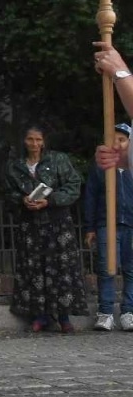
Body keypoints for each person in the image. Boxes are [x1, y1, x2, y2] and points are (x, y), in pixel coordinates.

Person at [5, 125, 86, 333]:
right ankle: (40, 315)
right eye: (30, 139)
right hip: (30, 225)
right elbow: (8, 192)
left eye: (38, 140)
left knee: (61, 268)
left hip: (57, 223)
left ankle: (64, 316)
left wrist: (50, 201)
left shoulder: (58, 160)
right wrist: (21, 199)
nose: (34, 144)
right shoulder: (15, 166)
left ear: (44, 141)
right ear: (24, 141)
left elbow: (74, 185)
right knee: (35, 268)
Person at [83, 122, 133, 332]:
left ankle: (128, 312)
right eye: (114, 139)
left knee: (131, 270)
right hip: (107, 224)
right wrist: (90, 227)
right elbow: (91, 196)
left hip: (131, 225)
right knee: (107, 269)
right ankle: (105, 313)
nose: (118, 144)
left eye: (122, 140)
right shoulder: (100, 167)